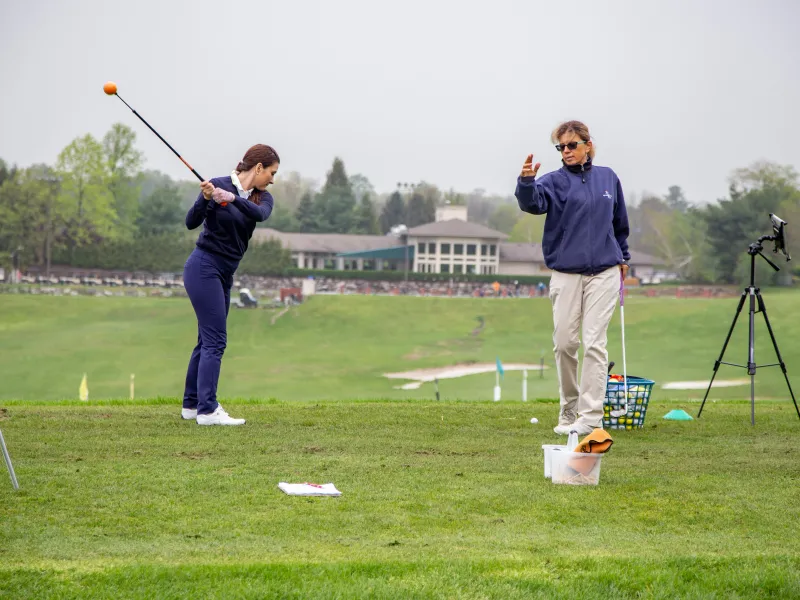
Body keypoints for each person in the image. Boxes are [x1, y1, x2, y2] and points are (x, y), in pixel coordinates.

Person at [515, 120, 630, 436]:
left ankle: (590, 416)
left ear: (587, 145)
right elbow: (533, 203)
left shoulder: (608, 178)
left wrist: (623, 257)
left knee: (594, 343)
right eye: (561, 147)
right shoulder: (553, 182)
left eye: (571, 145)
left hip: (605, 271)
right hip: (566, 273)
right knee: (565, 343)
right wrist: (526, 182)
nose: (566, 151)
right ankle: (569, 409)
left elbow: (619, 223)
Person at [181, 144, 279, 425]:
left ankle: (192, 405)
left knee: (206, 340)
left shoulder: (262, 197)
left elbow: (259, 215)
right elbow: (191, 222)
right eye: (271, 172)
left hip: (225, 273)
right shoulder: (217, 184)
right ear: (258, 168)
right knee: (216, 340)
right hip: (204, 267)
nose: (272, 179)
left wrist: (232, 199)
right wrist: (205, 199)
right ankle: (208, 410)